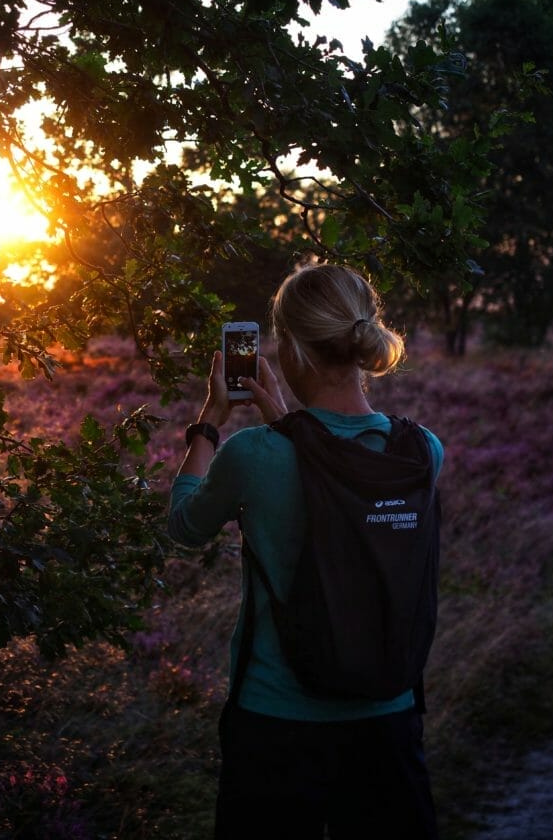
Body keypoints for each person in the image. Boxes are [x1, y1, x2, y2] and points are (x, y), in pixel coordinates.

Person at [168, 263, 443, 840]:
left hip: (276, 725)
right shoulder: (422, 451)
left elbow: (184, 526)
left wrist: (210, 420)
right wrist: (287, 422)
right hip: (388, 720)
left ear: (288, 344)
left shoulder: (253, 454)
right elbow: (335, 476)